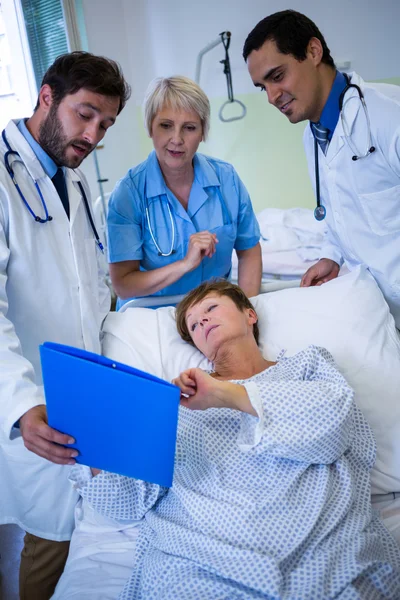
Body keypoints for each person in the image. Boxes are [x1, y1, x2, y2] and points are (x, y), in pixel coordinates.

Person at [71, 280, 400, 599]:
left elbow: (334, 426)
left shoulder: (307, 366)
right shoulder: (173, 403)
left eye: (211, 308)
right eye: (195, 325)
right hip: (199, 561)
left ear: (249, 315)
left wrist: (226, 395)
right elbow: (128, 501)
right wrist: (89, 441)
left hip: (324, 554)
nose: (203, 320)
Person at [0, 51, 130, 599]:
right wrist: (21, 405)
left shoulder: (73, 182)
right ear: (46, 97)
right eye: (85, 114)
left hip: (83, 389)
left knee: (92, 530)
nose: (93, 133)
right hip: (29, 396)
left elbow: (92, 290)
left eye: (105, 124)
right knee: (49, 540)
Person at [243, 10, 400, 328]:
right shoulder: (312, 138)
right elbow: (341, 213)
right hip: (381, 315)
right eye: (263, 87)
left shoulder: (388, 114)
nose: (272, 97)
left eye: (277, 76)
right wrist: (332, 256)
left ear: (313, 51)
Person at [107, 76, 261, 307]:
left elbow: (248, 250)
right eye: (166, 125)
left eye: (189, 128)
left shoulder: (226, 179)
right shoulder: (128, 194)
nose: (176, 139)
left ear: (202, 133)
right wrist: (184, 264)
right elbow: (123, 284)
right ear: (150, 127)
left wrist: (248, 309)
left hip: (215, 310)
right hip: (150, 314)